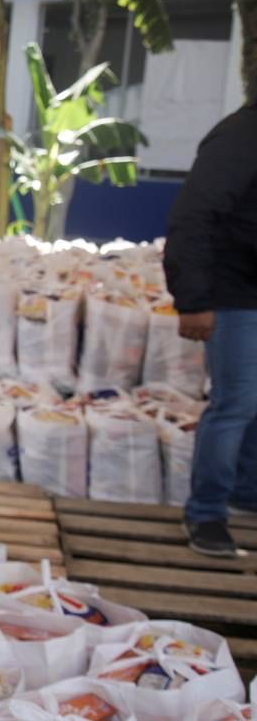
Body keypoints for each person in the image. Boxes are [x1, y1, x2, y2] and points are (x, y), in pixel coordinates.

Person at [164, 99, 257, 558]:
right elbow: (193, 218)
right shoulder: (240, 135)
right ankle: (206, 514)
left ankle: (246, 495)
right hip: (235, 295)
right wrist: (193, 300)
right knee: (234, 404)